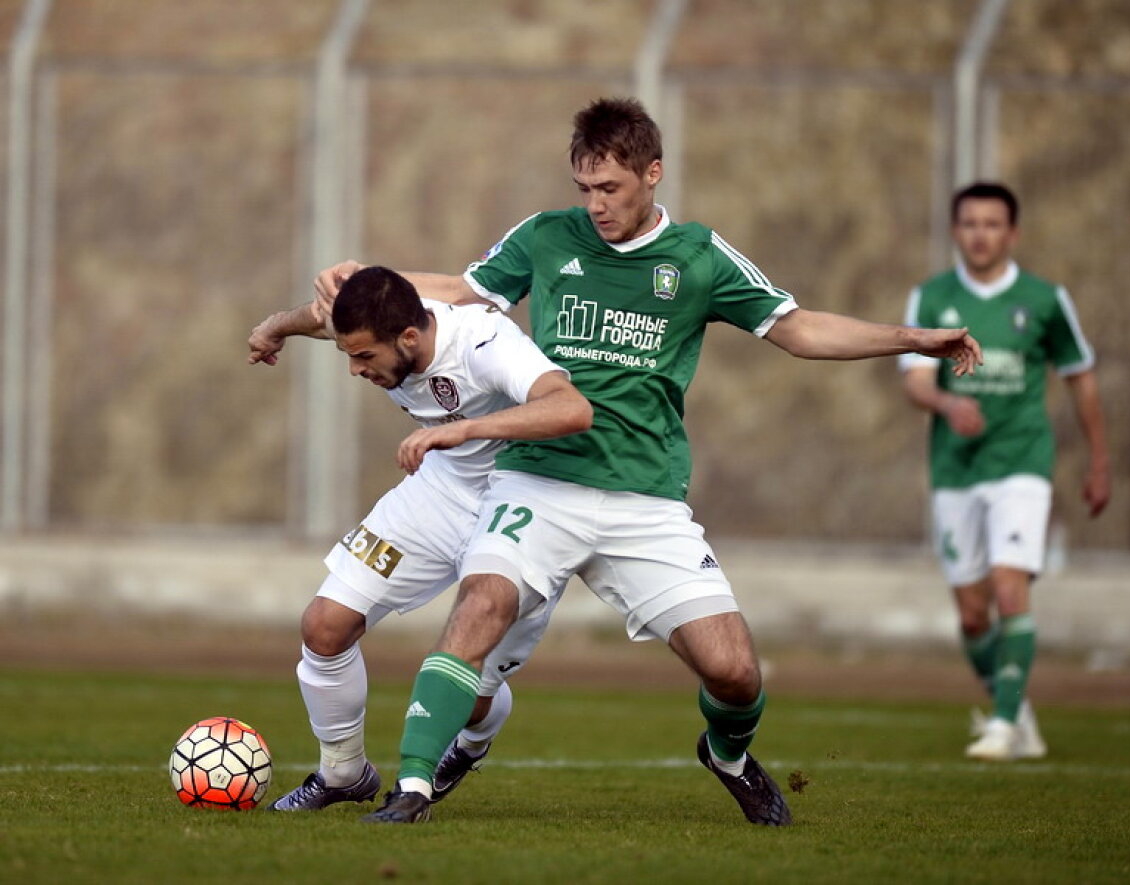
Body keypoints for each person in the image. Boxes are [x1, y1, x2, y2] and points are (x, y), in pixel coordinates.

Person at [316, 97, 981, 826]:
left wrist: (912, 338)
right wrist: (368, 280)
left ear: (652, 173)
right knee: (481, 605)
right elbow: (462, 291)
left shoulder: (697, 257)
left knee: (733, 671)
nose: (596, 205)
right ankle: (410, 789)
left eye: (611, 189)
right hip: (540, 478)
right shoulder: (546, 238)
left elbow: (799, 329)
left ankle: (726, 753)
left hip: (646, 496)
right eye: (585, 189)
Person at [246, 265, 592, 810]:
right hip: (438, 493)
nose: (355, 369)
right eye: (348, 355)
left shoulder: (484, 343)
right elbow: (320, 318)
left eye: (364, 357)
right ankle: (342, 773)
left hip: (520, 503)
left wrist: (462, 429)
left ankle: (473, 741)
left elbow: (570, 407)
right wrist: (276, 327)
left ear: (409, 337)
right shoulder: (385, 317)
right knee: (325, 626)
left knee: (471, 696)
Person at [900, 181, 1110, 761]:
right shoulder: (930, 298)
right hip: (955, 469)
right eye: (970, 223)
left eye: (993, 224)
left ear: (1012, 233)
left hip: (1022, 462)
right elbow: (916, 382)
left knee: (1010, 585)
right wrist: (947, 404)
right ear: (955, 231)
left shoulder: (1044, 300)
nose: (981, 234)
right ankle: (1015, 710)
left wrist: (1099, 459)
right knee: (972, 614)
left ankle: (1000, 726)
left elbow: (1080, 377)